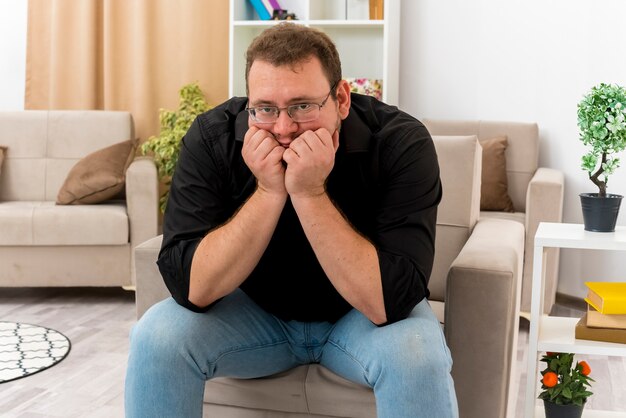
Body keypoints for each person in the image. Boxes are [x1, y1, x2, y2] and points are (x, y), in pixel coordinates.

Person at [125, 22, 458, 418]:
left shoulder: (401, 142)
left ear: (342, 99)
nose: (283, 129)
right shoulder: (212, 138)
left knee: (417, 354)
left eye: (302, 106)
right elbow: (191, 287)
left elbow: (390, 302)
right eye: (265, 109)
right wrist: (269, 191)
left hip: (361, 323)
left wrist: (309, 192)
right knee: (157, 336)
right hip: (253, 319)